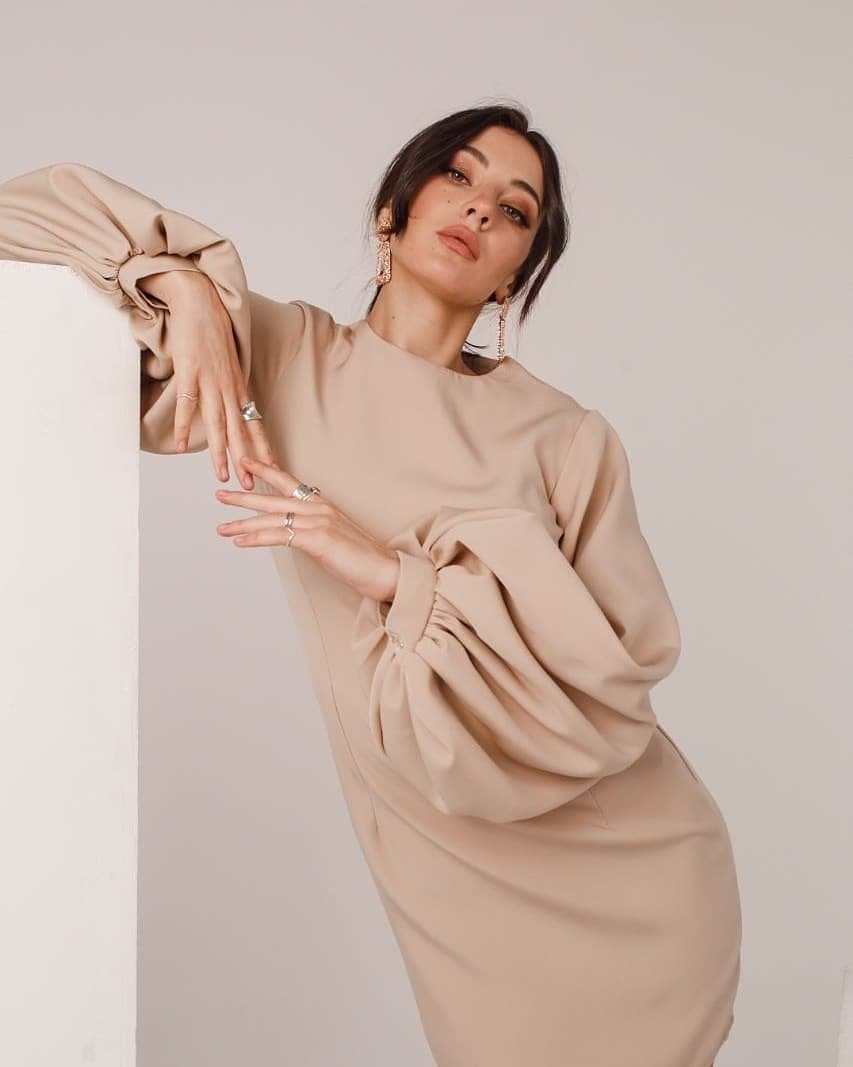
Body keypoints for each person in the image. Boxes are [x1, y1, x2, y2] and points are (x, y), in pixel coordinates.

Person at [0, 103, 741, 1067]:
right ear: (392, 209)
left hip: (632, 866)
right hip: (452, 872)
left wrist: (394, 574)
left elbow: (619, 669)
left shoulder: (568, 436)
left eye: (515, 209)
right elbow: (20, 217)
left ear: (517, 270)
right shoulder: (282, 352)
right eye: (458, 176)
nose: (480, 209)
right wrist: (181, 285)